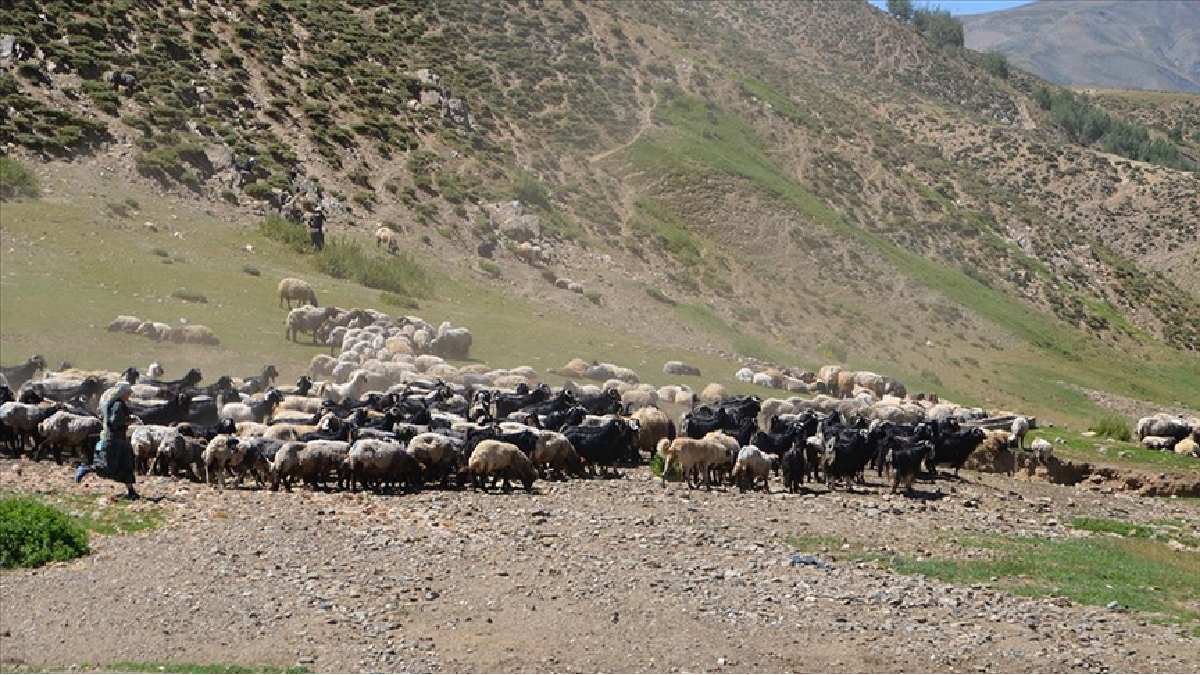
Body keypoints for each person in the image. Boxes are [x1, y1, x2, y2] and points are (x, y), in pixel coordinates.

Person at [74, 382, 139, 500]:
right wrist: (127, 421)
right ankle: (86, 468)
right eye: (128, 393)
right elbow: (114, 422)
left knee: (127, 465)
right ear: (123, 393)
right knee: (108, 467)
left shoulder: (119, 404)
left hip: (121, 439)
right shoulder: (117, 405)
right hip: (113, 440)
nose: (129, 395)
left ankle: (131, 491)